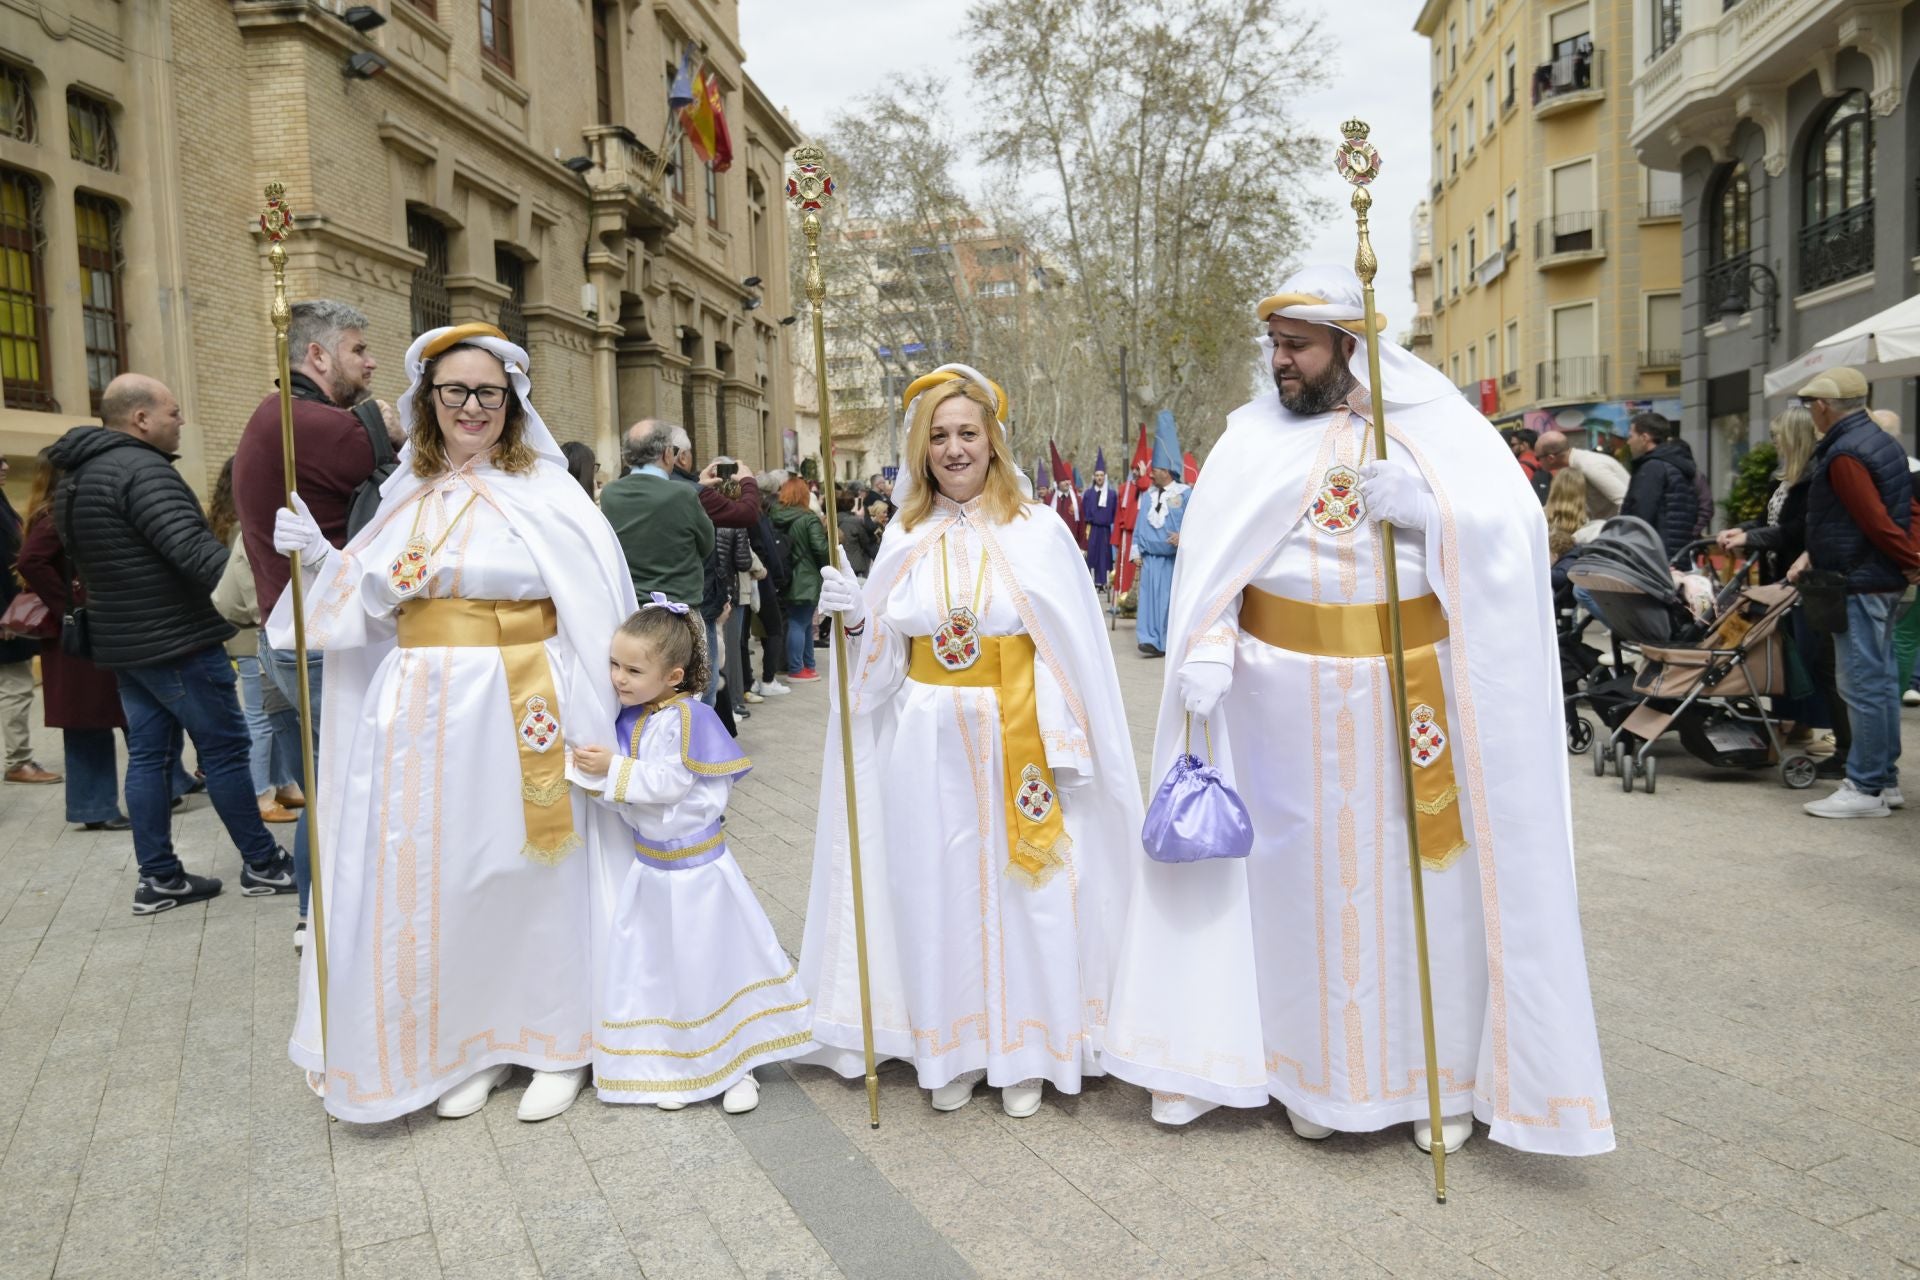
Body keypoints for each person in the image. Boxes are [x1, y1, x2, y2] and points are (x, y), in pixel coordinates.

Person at [1102, 266, 1612, 1158]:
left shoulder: (1436, 430)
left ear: (1349, 343)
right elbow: (1216, 568)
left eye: (1296, 345)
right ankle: (1307, 1075)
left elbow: (1515, 540)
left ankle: (1436, 1080)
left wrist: (1434, 514)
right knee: (1295, 896)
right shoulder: (1249, 443)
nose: (1280, 362)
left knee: (1428, 894)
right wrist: (1210, 650)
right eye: (1274, 345)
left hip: (1407, 700)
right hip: (1277, 712)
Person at [269, 322, 636, 1124]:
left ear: (511, 402)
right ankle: (473, 1043)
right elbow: (364, 608)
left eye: (488, 394)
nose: (472, 407)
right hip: (421, 720)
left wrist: (600, 720)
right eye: (456, 392)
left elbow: (592, 608)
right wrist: (319, 562)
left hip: (522, 701)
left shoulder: (548, 491)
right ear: (427, 402)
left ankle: (555, 1042)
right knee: (451, 876)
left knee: (532, 867)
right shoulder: (407, 494)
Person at [799, 364, 1138, 1119]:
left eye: (967, 434)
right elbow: (883, 669)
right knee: (936, 888)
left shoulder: (1037, 529)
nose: (954, 449)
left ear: (994, 442)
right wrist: (859, 621)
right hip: (927, 740)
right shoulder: (905, 532)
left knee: (1027, 890)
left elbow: (1067, 647)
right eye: (939, 437)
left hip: (1018, 732)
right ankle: (946, 1047)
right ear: (922, 450)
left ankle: (1023, 1051)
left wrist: (1065, 738)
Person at [46, 374, 297, 914]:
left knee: (149, 756)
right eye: (173, 413)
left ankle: (159, 878)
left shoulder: (76, 476)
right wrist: (260, 600)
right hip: (177, 641)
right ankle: (263, 865)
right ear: (140, 419)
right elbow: (195, 554)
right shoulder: (143, 472)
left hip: (124, 643)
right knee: (226, 751)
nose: (180, 422)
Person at [567, 599, 810, 1112]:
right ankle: (678, 1067)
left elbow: (672, 783)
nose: (619, 678)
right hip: (652, 875)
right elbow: (629, 797)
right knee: (664, 972)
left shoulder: (689, 718)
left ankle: (738, 1066)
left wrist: (610, 771)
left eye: (634, 669)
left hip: (701, 876)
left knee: (714, 965)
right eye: (614, 665)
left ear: (673, 675)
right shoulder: (633, 720)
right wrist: (599, 778)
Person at [234, 299, 380, 948]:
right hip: (319, 641)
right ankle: (325, 919)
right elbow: (415, 443)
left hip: (288, 635)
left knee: (326, 783)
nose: (370, 363)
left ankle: (310, 915)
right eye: (358, 350)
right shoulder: (313, 426)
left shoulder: (274, 416)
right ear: (316, 356)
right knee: (351, 782)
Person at [1789, 369, 1917, 819]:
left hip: (1858, 579)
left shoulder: (1845, 451)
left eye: (1810, 406)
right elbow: (1902, 511)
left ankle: (1864, 786)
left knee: (1861, 685)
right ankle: (1883, 780)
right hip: (1877, 578)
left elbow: (1874, 521)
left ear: (1823, 406)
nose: (1810, 414)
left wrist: (1912, 559)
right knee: (1879, 684)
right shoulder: (1880, 440)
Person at [1718, 405, 1842, 767]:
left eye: (1776, 435)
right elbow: (1767, 519)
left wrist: (1751, 536)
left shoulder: (1813, 478)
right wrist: (1742, 529)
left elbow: (1796, 530)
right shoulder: (1783, 477)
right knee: (1783, 652)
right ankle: (1794, 720)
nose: (1772, 442)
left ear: (1793, 436)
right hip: (1778, 576)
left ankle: (1822, 725)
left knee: (1808, 652)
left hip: (1803, 578)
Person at [209, 458, 303, 826]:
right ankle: (260, 793)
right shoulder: (244, 527)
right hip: (255, 634)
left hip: (262, 631)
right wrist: (270, 624)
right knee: (261, 718)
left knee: (278, 712)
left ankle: (281, 783)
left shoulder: (239, 521)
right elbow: (250, 585)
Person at [600, 420, 714, 609]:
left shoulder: (609, 494)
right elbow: (707, 544)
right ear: (667, 454)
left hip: (629, 606)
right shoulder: (682, 494)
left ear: (627, 458)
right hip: (678, 608)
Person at [0, 454, 58, 785]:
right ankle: (17, 761)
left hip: (11, 612)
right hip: (6, 619)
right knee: (16, 688)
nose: (6, 467)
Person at [1131, 412, 1186, 657]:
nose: (1152, 473)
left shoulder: (1185, 494)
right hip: (1150, 558)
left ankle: (1166, 642)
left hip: (1172, 560)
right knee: (1149, 603)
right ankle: (1149, 640)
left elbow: (1198, 524)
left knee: (1166, 602)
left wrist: (1184, 537)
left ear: (1168, 470)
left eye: (1157, 469)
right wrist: (1135, 550)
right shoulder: (1147, 497)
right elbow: (1139, 526)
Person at [769, 476, 829, 683]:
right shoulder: (809, 518)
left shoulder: (775, 516)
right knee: (800, 622)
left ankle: (807, 665)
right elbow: (820, 548)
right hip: (805, 577)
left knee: (800, 622)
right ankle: (797, 668)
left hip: (785, 576)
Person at [1620, 412, 1700, 558]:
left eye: (1631, 436)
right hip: (1676, 550)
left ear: (1645, 438)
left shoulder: (1652, 467)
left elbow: (1641, 516)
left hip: (1655, 556)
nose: (1628, 442)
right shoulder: (1676, 463)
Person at [750, 470, 791, 699]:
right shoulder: (757, 516)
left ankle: (754, 681)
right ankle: (767, 679)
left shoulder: (756, 514)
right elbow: (766, 549)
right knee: (774, 629)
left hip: (758, 578)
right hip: (763, 579)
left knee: (764, 631)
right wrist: (776, 576)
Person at [1536, 429, 1627, 526]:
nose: (1537, 462)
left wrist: (1619, 533)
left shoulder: (1588, 465)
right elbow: (1558, 503)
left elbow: (1624, 500)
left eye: (1538, 458)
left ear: (1550, 458)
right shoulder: (1574, 465)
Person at [1081, 451, 1117, 588]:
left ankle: (1103, 581)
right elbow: (1084, 510)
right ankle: (1092, 581)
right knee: (1092, 554)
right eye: (1097, 475)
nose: (1099, 478)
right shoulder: (1088, 494)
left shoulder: (1111, 495)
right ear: (1094, 477)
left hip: (1105, 529)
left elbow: (1114, 511)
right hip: (1092, 528)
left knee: (1104, 555)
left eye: (1101, 475)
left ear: (1105, 477)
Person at [1507, 427, 1552, 503]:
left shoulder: (1520, 467)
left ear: (1525, 445)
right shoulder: (1546, 462)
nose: (1511, 448)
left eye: (1513, 445)